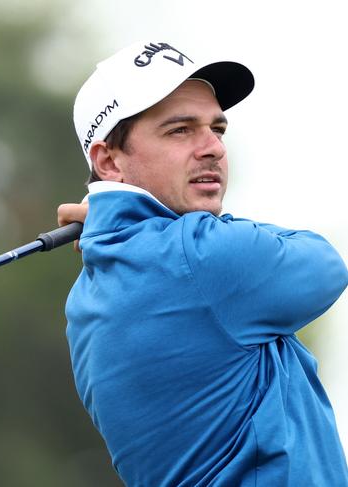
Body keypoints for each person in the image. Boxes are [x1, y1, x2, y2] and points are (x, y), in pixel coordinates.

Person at [58, 40, 348, 486]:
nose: (212, 147)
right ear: (109, 160)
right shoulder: (198, 256)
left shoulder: (86, 296)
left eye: (217, 129)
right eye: (180, 130)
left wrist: (113, 215)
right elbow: (325, 263)